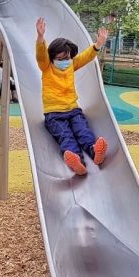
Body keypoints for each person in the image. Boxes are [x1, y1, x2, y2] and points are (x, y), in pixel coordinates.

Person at [36, 16, 108, 176]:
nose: (65, 61)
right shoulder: (46, 67)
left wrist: (98, 45)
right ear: (53, 58)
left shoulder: (71, 65)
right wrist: (40, 38)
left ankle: (95, 152)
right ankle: (77, 162)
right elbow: (41, 55)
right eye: (60, 59)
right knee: (66, 136)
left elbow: (85, 56)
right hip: (54, 114)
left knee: (83, 131)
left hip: (73, 110)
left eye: (67, 58)